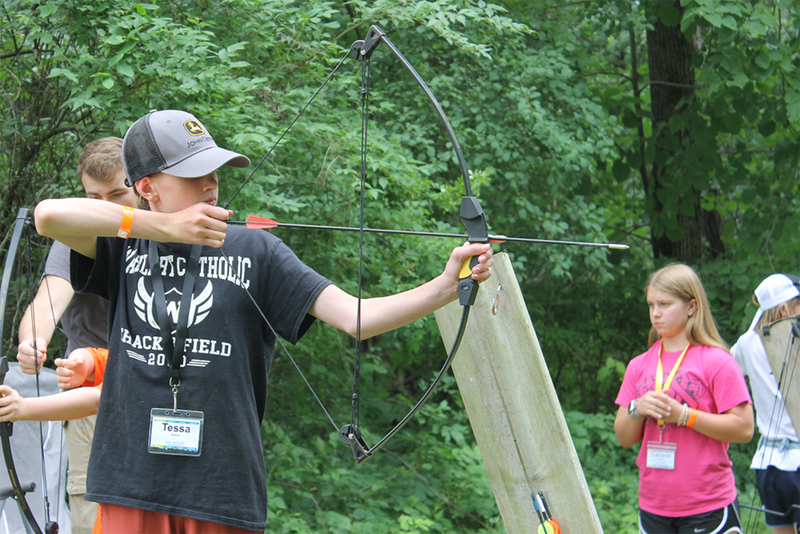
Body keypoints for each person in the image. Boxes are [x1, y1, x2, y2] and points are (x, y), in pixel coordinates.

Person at [0, 109, 494, 534]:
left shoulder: (255, 249)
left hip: (221, 485)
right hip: (130, 481)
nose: (211, 183)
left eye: (214, 170)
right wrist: (162, 226)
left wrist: (446, 287)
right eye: (193, 174)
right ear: (147, 187)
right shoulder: (123, 244)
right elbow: (47, 217)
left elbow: (356, 318)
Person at [15, 137, 137, 534]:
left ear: (142, 186)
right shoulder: (78, 236)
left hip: (153, 384)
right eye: (93, 196)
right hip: (89, 386)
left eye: (118, 193)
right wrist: (32, 340)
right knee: (91, 503)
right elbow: (47, 304)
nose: (105, 206)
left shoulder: (165, 229)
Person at [614, 263, 754, 534]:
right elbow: (624, 438)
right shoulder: (638, 365)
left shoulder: (717, 361)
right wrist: (637, 409)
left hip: (708, 505)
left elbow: (744, 428)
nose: (656, 313)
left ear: (691, 306)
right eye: (651, 305)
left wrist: (685, 416)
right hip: (654, 506)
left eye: (665, 304)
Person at [731, 274, 800, 534]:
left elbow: (730, 363)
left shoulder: (748, 343)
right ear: (784, 308)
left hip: (769, 466)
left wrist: (758, 321)